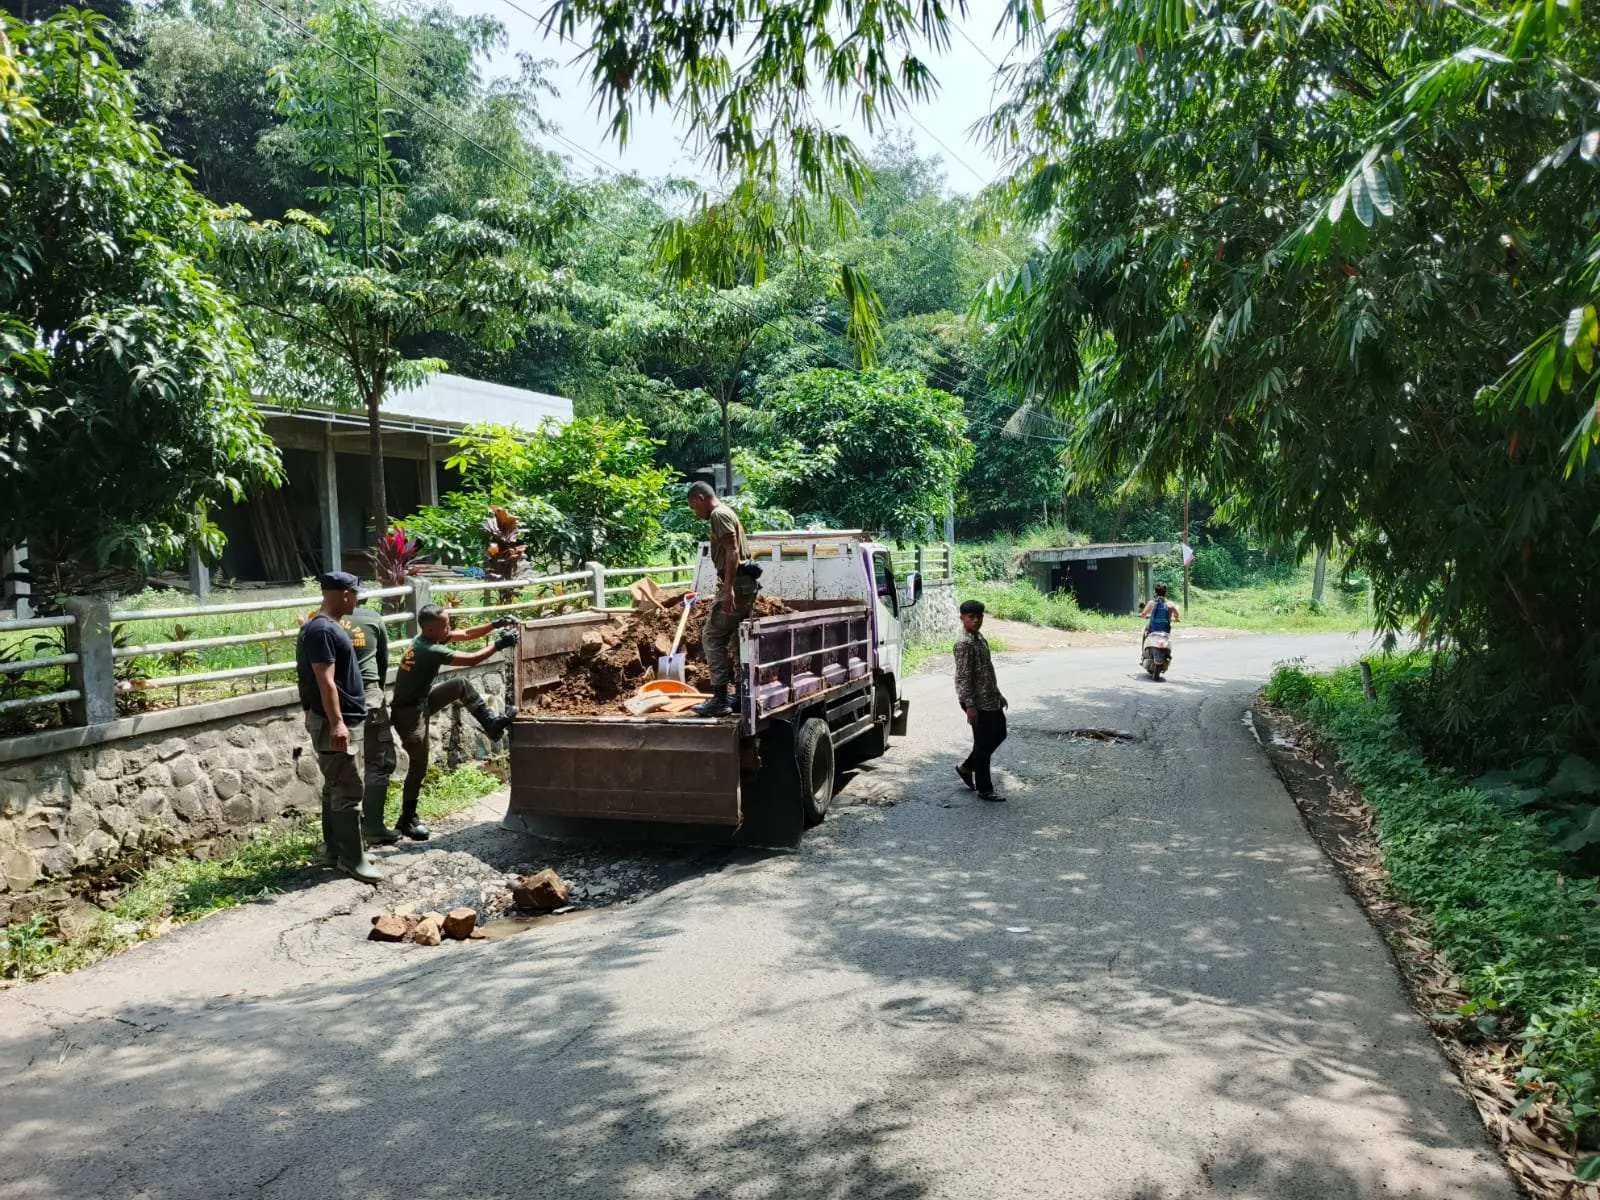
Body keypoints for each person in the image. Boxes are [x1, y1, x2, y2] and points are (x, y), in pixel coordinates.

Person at [389, 606, 519, 841]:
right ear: (430, 628)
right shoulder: (429, 649)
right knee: (419, 766)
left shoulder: (427, 637)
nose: (449, 629)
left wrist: (495, 624)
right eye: (445, 625)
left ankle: (490, 724)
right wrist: (499, 645)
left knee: (460, 685)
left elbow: (467, 634)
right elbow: (472, 659)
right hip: (409, 714)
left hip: (421, 701)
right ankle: (407, 819)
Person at [295, 571, 385, 884]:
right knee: (349, 787)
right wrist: (337, 723)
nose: (358, 600)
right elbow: (325, 680)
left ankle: (336, 850)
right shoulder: (322, 630)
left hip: (343, 717)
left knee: (336, 783)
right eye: (355, 594)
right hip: (338, 719)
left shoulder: (322, 627)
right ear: (345, 594)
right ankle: (352, 860)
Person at [686, 480, 757, 717]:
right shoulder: (725, 512)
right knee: (737, 640)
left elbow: (732, 551)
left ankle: (720, 699)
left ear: (699, 498)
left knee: (711, 635)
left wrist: (728, 589)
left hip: (737, 582)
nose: (696, 514)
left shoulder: (718, 514)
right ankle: (738, 695)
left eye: (693, 508)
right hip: (745, 583)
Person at [953, 599, 1008, 802]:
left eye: (979, 617)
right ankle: (985, 789)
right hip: (975, 702)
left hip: (989, 697)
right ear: (962, 618)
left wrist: (998, 694)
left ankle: (967, 767)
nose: (976, 621)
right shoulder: (963, 644)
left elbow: (986, 671)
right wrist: (969, 706)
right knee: (983, 745)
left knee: (999, 733)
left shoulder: (979, 638)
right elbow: (963, 677)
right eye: (971, 617)